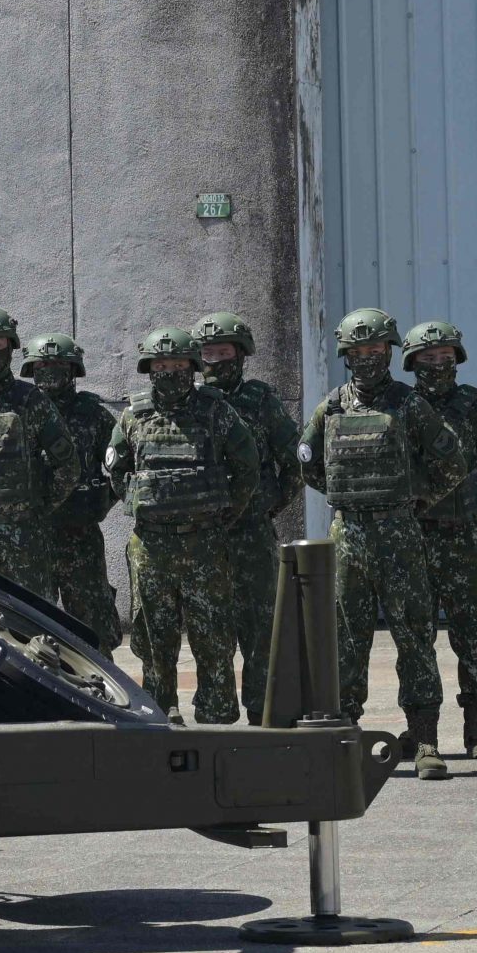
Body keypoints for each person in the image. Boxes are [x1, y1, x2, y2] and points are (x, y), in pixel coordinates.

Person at [298, 307, 467, 778]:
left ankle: (427, 739)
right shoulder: (330, 407)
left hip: (399, 537)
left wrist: (419, 498)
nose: (368, 358)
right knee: (347, 641)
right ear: (346, 355)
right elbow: (309, 465)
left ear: (390, 351)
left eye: (376, 349)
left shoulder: (410, 404)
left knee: (414, 635)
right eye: (359, 351)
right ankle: (346, 733)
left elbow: (452, 462)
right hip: (348, 536)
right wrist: (349, 501)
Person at [106, 326, 259, 723]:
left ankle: (217, 710)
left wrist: (227, 513)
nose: (169, 372)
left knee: (213, 633)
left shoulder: (215, 410)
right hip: (151, 546)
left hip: (204, 543)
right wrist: (142, 503)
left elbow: (247, 467)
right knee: (154, 635)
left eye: (177, 364)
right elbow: (115, 469)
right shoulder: (133, 415)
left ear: (191, 367)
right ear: (148, 368)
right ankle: (161, 709)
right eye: (161, 365)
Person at [192, 309, 302, 723]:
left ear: (241, 355)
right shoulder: (191, 403)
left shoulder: (261, 400)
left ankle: (263, 712)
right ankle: (216, 714)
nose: (216, 361)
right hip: (202, 537)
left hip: (252, 533)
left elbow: (295, 461)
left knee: (260, 630)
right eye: (208, 353)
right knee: (210, 630)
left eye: (224, 352)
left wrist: (271, 505)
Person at [402, 319, 477, 758]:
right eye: (428, 358)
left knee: (474, 633)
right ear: (412, 362)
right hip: (412, 536)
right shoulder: (400, 406)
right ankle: (423, 732)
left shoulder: (473, 410)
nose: (438, 365)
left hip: (463, 535)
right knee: (415, 636)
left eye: (445, 357)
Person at [0, 305, 78, 594]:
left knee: (30, 630)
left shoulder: (31, 401)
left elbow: (69, 467)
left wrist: (38, 507)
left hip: (22, 538)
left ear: (10, 348)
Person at [23, 333, 122, 646]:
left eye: (57, 363)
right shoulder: (21, 409)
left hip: (81, 537)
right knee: (33, 626)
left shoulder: (92, 413)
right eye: (42, 363)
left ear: (73, 369)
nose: (49, 369)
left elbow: (124, 461)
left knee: (93, 625)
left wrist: (104, 499)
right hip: (33, 536)